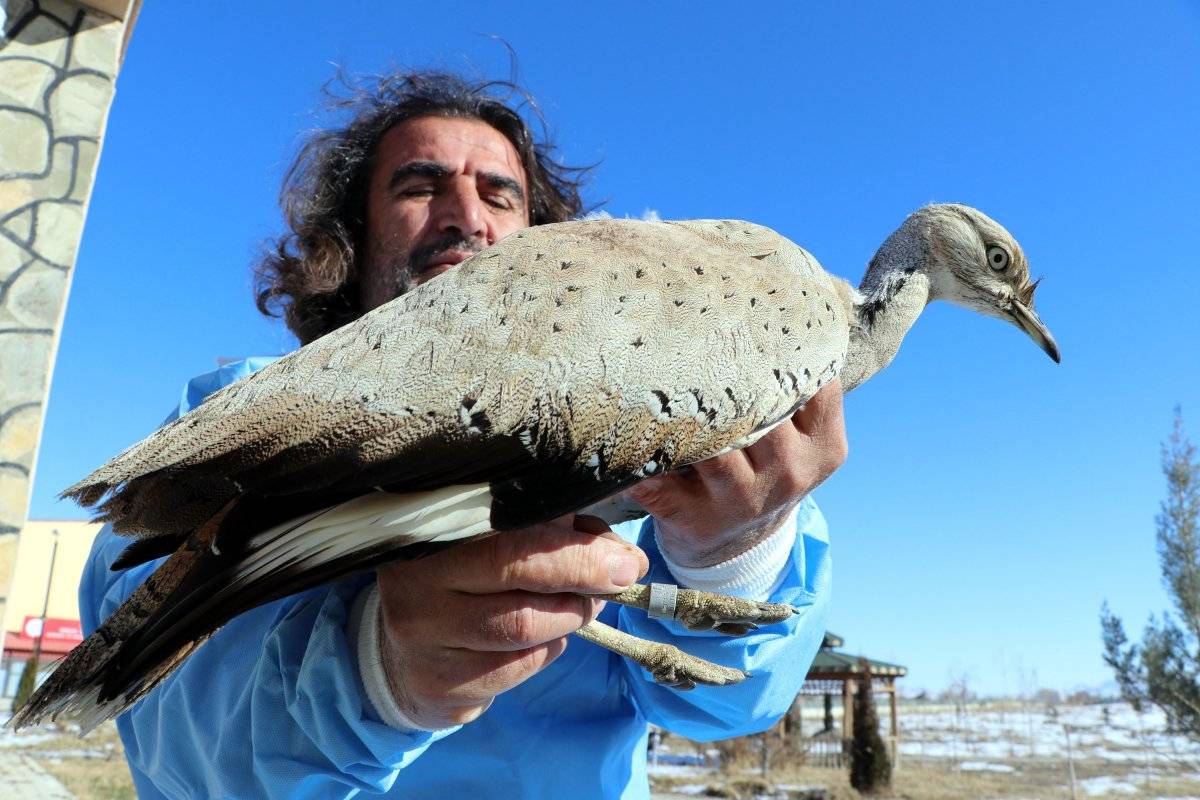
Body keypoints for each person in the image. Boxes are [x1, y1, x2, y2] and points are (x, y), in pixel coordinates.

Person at [80, 70, 847, 798]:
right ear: (353, 234)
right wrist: (370, 675)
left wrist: (730, 556)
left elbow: (721, 706)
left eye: (499, 194)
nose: (467, 216)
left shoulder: (636, 415)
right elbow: (166, 729)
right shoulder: (242, 411)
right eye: (420, 186)